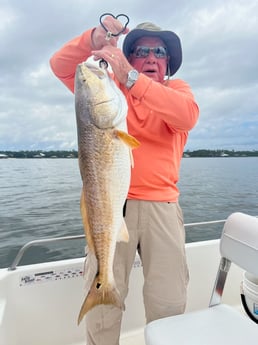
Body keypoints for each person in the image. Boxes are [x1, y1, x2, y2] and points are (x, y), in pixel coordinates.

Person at [50, 15, 199, 345]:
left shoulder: (176, 91)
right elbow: (61, 66)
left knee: (169, 301)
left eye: (159, 53)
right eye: (142, 51)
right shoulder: (110, 91)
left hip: (163, 208)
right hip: (111, 206)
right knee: (103, 312)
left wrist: (131, 78)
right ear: (128, 56)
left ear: (168, 63)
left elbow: (187, 115)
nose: (150, 58)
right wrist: (96, 37)